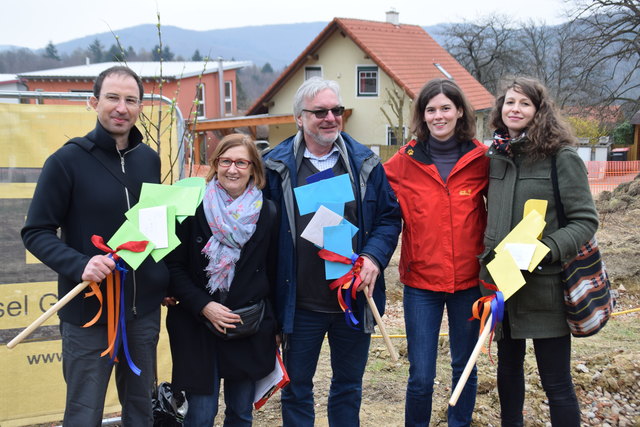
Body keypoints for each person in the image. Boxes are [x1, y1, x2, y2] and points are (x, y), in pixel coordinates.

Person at [21, 66, 169, 426]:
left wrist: (163, 281)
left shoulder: (149, 159)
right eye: (113, 98)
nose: (122, 107)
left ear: (140, 107)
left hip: (142, 313)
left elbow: (154, 226)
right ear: (93, 102)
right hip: (89, 313)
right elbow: (36, 231)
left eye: (131, 100)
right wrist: (79, 264)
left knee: (141, 411)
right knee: (84, 414)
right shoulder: (66, 161)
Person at [262, 77, 402, 426]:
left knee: (348, 387)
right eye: (319, 111)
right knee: (296, 389)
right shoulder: (274, 167)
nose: (330, 118)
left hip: (353, 301)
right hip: (300, 304)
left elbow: (388, 217)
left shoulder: (365, 162)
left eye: (336, 110)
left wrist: (373, 257)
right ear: (299, 118)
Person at [479, 76, 598, 426]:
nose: (515, 109)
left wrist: (543, 251)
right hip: (504, 285)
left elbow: (585, 220)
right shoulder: (496, 156)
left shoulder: (561, 157)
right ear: (500, 108)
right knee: (507, 373)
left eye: (524, 103)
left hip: (547, 288)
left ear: (539, 111)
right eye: (510, 102)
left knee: (556, 382)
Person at [384, 78, 489, 427]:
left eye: (446, 108)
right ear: (422, 115)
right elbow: (374, 206)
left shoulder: (482, 160)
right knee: (421, 376)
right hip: (421, 285)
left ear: (460, 111)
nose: (439, 116)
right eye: (431, 109)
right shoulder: (402, 163)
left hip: (469, 284)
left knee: (465, 367)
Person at [165, 134, 279, 426]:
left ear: (254, 168)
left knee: (240, 413)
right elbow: (174, 268)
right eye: (225, 161)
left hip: (245, 325)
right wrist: (205, 306)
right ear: (215, 165)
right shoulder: (192, 207)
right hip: (197, 323)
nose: (233, 169)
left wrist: (277, 327)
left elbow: (275, 270)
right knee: (201, 415)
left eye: (242, 162)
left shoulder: (267, 212)